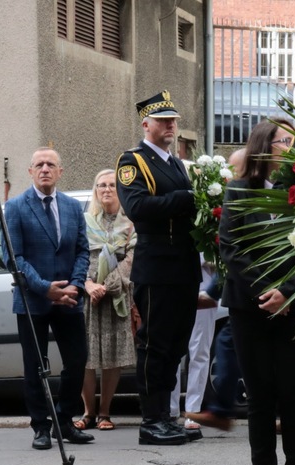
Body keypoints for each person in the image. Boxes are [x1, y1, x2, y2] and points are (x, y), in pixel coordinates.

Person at [219, 118, 295, 465]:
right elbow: (231, 248)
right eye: (282, 140)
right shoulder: (239, 190)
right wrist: (265, 292)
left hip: (294, 307)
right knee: (258, 396)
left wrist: (288, 292)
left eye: (293, 140)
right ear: (263, 145)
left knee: (292, 394)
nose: (289, 146)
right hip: (249, 306)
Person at [115, 90, 201, 446]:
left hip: (183, 264)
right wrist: (185, 199)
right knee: (155, 345)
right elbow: (137, 207)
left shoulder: (175, 162)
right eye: (163, 120)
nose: (170, 125)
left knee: (177, 345)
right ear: (145, 124)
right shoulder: (132, 161)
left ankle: (165, 416)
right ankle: (151, 420)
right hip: (157, 266)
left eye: (173, 120)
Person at [3, 147, 94, 450]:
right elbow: (14, 258)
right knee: (35, 365)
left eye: (50, 164)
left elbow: (82, 250)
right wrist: (46, 288)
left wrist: (76, 287)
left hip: (69, 299)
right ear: (30, 171)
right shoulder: (15, 207)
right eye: (39, 164)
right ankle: (40, 426)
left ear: (60, 172)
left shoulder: (71, 207)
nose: (45, 169)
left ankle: (64, 421)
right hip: (33, 300)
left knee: (78, 359)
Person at [75, 169, 137, 432]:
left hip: (116, 297)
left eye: (112, 185)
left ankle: (105, 412)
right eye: (102, 185)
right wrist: (88, 285)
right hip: (89, 298)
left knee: (112, 357)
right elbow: (77, 255)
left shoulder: (131, 223)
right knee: (85, 357)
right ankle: (88, 412)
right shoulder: (84, 221)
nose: (107, 189)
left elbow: (132, 258)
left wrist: (110, 285)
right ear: (96, 190)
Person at [169, 253, 220, 438]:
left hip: (203, 278)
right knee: (172, 348)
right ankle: (171, 409)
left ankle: (193, 410)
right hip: (174, 277)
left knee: (200, 350)